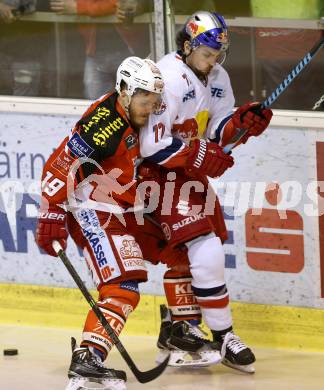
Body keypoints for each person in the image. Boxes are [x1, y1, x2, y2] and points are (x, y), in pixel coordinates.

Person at [139, 10, 273, 373]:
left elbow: (216, 130)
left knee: (189, 254)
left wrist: (241, 123)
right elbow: (151, 146)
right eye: (208, 54)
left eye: (218, 54)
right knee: (206, 248)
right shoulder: (165, 77)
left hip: (186, 174)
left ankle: (178, 332)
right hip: (153, 175)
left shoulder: (218, 76)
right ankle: (223, 335)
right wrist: (199, 154)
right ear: (187, 46)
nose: (214, 61)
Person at [34, 56, 168, 390]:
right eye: (143, 99)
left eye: (153, 100)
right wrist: (51, 209)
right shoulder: (106, 122)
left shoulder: (133, 112)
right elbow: (65, 160)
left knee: (137, 278)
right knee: (122, 287)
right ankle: (87, 361)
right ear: (123, 90)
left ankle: (93, 357)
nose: (149, 107)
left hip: (117, 206)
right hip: (91, 207)